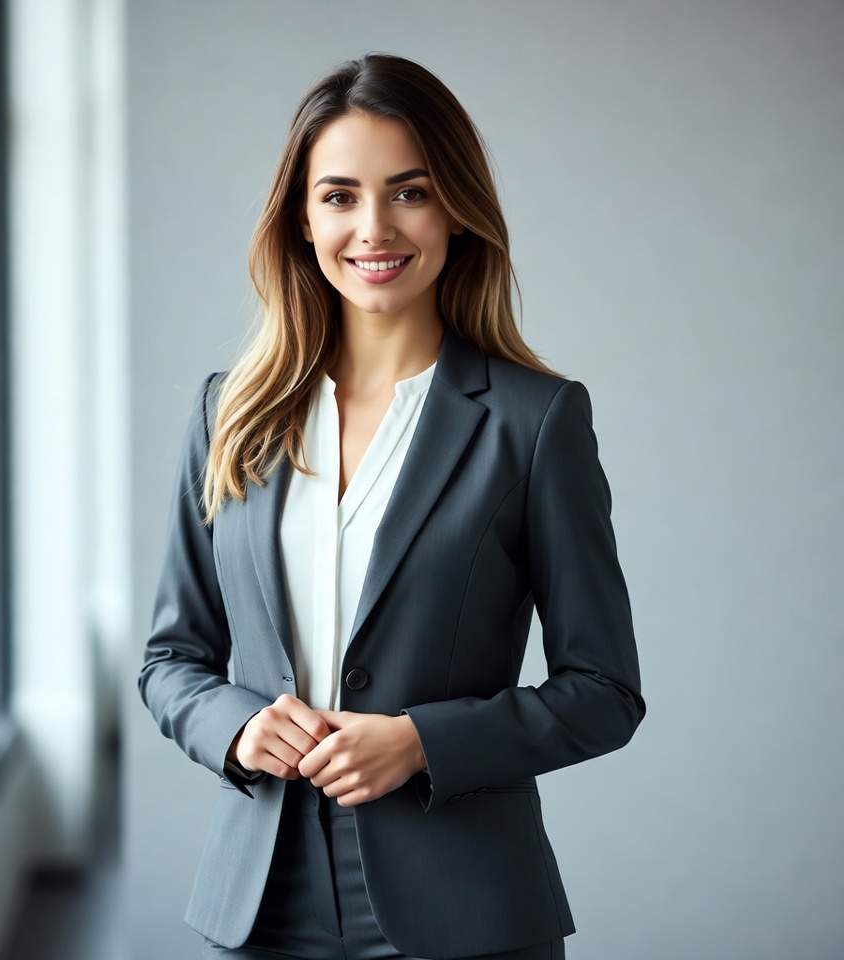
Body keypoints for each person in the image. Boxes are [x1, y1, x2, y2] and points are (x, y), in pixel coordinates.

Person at [139, 53, 644, 960]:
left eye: (408, 192)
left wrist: (423, 742)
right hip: (258, 905)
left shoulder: (535, 421)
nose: (373, 227)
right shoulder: (232, 413)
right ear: (301, 219)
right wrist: (240, 727)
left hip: (468, 909)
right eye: (338, 196)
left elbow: (603, 693)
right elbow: (172, 659)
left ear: (455, 207)